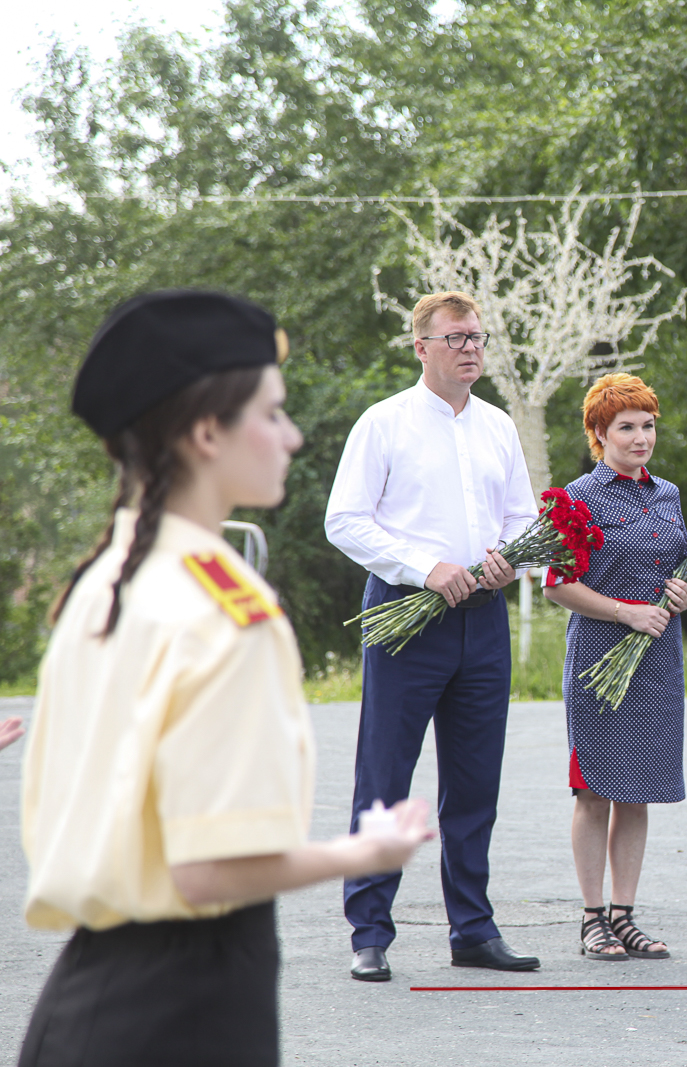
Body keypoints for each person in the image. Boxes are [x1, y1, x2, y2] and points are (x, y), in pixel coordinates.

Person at [19, 290, 432, 1066]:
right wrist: (365, 851)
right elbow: (207, 871)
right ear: (207, 431)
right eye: (272, 413)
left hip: (85, 999)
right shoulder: (224, 612)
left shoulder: (104, 577)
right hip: (186, 1008)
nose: (294, 435)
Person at [325, 291, 542, 980]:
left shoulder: (499, 427)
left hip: (483, 618)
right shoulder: (383, 424)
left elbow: (523, 518)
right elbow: (346, 520)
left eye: (477, 335)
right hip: (403, 615)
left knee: (475, 782)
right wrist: (425, 567)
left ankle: (472, 929)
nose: (471, 346)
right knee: (385, 777)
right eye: (455, 337)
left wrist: (511, 557)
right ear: (421, 347)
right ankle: (370, 931)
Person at [544, 374, 687, 961]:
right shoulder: (579, 495)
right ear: (598, 434)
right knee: (593, 793)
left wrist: (680, 596)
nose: (640, 437)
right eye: (626, 427)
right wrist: (624, 613)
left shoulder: (669, 495)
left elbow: (676, 570)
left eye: (647, 425)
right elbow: (559, 585)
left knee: (637, 793)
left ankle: (625, 915)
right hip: (598, 660)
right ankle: (591, 918)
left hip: (657, 659)